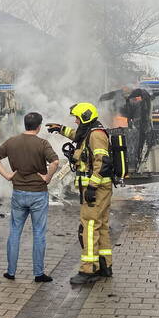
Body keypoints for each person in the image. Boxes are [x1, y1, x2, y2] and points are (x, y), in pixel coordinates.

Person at [47, 102, 113, 285]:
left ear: (85, 117)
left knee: (89, 227)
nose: (75, 121)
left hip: (96, 189)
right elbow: (77, 136)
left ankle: (88, 270)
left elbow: (103, 162)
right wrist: (60, 129)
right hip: (99, 188)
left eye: (77, 118)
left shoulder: (96, 135)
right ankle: (104, 265)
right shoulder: (90, 131)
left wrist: (92, 187)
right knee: (101, 225)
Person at [0, 112, 60, 282]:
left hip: (19, 193)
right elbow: (55, 162)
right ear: (39, 126)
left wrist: (7, 175)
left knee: (15, 232)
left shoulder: (12, 142)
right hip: (38, 194)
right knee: (39, 233)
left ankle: (11, 272)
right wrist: (47, 178)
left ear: (25, 124)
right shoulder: (42, 143)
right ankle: (38, 274)